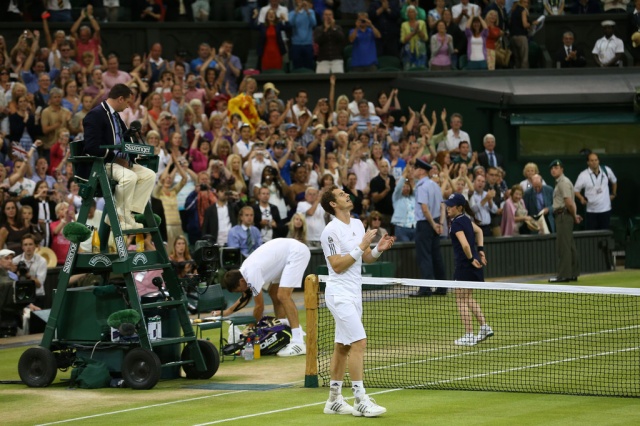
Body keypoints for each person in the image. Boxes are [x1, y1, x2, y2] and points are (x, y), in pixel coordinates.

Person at [319, 185, 395, 416]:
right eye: (341, 194)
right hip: (338, 294)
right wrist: (362, 245)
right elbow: (337, 265)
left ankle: (333, 400)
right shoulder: (329, 231)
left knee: (342, 347)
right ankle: (360, 399)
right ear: (333, 204)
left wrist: (377, 250)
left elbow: (365, 258)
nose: (347, 195)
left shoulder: (357, 224)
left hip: (354, 293)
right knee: (358, 342)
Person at [80, 84, 155, 230]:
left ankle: (127, 216)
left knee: (149, 175)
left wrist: (136, 154)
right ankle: (119, 216)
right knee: (130, 177)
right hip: (101, 164)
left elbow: (125, 140)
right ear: (120, 99)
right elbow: (91, 147)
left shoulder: (115, 116)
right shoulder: (95, 115)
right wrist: (115, 159)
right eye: (127, 102)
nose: (128, 107)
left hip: (120, 163)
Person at [222, 238, 311, 357]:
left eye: (240, 289)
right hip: (286, 255)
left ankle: (298, 342)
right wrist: (226, 312)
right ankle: (284, 333)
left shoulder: (251, 273)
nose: (243, 292)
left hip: (296, 253)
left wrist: (251, 327)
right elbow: (245, 297)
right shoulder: (244, 272)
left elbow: (259, 307)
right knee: (274, 293)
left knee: (283, 295)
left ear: (242, 281)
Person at [443, 193, 493, 346]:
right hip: (472, 263)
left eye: (450, 206)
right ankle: (484, 327)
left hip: (465, 265)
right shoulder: (466, 220)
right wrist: (481, 251)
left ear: (459, 207)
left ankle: (469, 334)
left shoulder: (456, 223)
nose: (447, 209)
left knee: (460, 299)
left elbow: (464, 245)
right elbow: (479, 231)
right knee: (467, 298)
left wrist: (471, 259)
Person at [411, 159, 447, 297]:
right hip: (436, 222)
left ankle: (425, 288)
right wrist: (440, 224)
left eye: (415, 169)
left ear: (420, 171)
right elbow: (442, 206)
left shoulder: (422, 187)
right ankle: (442, 287)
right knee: (436, 256)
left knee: (424, 256)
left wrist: (433, 224)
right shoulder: (435, 185)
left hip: (426, 224)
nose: (413, 171)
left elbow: (425, 209)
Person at [548, 160, 581, 283]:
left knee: (564, 246)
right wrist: (574, 215)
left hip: (563, 216)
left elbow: (568, 202)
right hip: (565, 215)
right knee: (569, 245)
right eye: (552, 168)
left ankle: (564, 275)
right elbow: (571, 202)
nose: (553, 170)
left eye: (556, 167)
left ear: (562, 169)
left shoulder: (563, 182)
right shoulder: (562, 182)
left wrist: (573, 215)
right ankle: (572, 273)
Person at [574, 152, 617, 231]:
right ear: (588, 162)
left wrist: (613, 194)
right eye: (591, 160)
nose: (594, 162)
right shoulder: (583, 175)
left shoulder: (606, 170)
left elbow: (614, 181)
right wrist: (581, 198)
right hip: (591, 211)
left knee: (604, 234)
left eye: (596, 160)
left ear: (599, 161)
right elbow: (575, 190)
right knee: (591, 237)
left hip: (605, 210)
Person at [12, 234, 47, 305]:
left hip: (37, 294)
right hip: (21, 294)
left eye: (30, 244)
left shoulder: (41, 261)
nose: (28, 247)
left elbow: (39, 284)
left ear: (35, 246)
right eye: (25, 244)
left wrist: (29, 276)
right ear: (22, 247)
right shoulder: (15, 261)